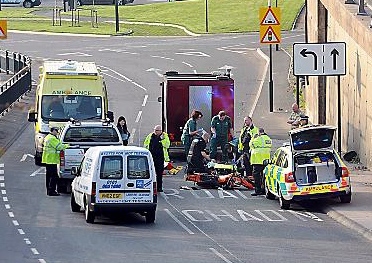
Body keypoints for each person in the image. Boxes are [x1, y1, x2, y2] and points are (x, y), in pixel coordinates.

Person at [42, 127, 69, 196]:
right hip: (51, 159)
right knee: (54, 176)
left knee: (49, 176)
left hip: (48, 159)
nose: (57, 132)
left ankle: (49, 190)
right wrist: (68, 145)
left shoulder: (48, 137)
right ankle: (52, 191)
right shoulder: (52, 138)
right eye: (56, 131)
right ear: (53, 131)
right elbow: (59, 147)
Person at [144, 125, 170, 192]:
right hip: (151, 157)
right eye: (154, 130)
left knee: (159, 174)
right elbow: (145, 144)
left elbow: (167, 145)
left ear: (160, 131)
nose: (155, 132)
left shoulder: (164, 136)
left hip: (160, 158)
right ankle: (151, 187)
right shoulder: (150, 136)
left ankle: (159, 187)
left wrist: (162, 140)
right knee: (151, 173)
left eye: (157, 130)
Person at [249, 127, 272, 196]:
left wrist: (253, 137)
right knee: (264, 176)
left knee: (256, 176)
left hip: (258, 160)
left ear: (259, 132)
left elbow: (251, 145)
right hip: (266, 159)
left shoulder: (258, 139)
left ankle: (257, 190)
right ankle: (264, 189)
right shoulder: (268, 138)